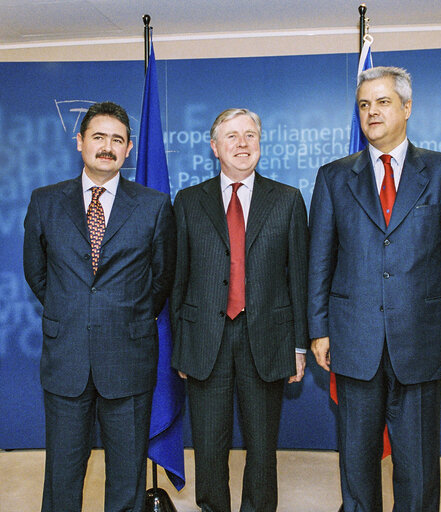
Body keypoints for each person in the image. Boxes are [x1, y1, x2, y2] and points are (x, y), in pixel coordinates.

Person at [308, 66, 441, 511]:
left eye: (383, 102)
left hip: (421, 340)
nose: (372, 112)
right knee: (357, 462)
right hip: (352, 339)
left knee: (417, 465)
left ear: (406, 107)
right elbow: (319, 261)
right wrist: (318, 329)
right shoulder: (332, 177)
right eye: (364, 104)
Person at [23, 101, 176, 512]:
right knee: (63, 474)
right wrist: (71, 310)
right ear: (80, 142)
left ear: (128, 149)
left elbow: (161, 279)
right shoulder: (45, 201)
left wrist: (124, 315)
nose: (107, 147)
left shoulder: (154, 205)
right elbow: (37, 274)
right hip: (66, 356)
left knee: (127, 475)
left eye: (117, 140)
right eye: (98, 137)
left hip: (128, 356)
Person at [170, 108, 309, 512]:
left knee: (262, 447)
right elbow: (178, 280)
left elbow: (298, 278)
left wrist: (299, 346)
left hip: (266, 338)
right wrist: (181, 346)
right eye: (232, 136)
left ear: (260, 145)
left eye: (250, 135)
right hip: (204, 340)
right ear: (215, 147)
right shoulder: (189, 201)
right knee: (209, 446)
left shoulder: (287, 200)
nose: (242, 143)